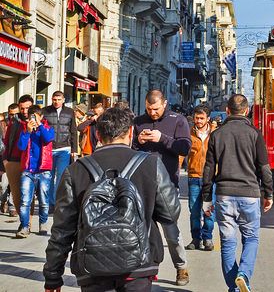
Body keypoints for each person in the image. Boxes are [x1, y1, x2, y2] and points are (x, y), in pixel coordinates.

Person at [43, 105, 182, 292]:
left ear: (98, 135)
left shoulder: (75, 170)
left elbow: (62, 230)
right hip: (139, 263)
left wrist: (53, 276)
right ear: (131, 132)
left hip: (92, 264)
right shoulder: (151, 164)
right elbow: (170, 214)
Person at [201, 94, 274, 292]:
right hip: (249, 195)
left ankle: (234, 287)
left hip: (224, 195)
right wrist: (269, 193)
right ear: (247, 110)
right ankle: (243, 275)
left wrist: (206, 199)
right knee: (251, 238)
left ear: (227, 111)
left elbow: (208, 170)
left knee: (227, 242)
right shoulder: (255, 134)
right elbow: (264, 168)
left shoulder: (217, 134)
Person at [134, 90, 191, 286]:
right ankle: (148, 269)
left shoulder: (178, 120)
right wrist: (138, 141)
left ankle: (181, 267)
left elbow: (184, 148)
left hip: (167, 185)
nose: (153, 113)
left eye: (156, 109)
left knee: (171, 232)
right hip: (142, 184)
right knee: (143, 230)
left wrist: (163, 138)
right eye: (149, 109)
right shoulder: (138, 121)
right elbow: (128, 149)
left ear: (164, 104)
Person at [15, 106, 54, 238]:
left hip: (44, 170)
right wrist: (27, 131)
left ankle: (43, 223)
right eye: (31, 116)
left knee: (43, 200)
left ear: (41, 117)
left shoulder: (48, 128)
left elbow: (48, 138)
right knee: (25, 201)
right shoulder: (25, 130)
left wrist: (40, 125)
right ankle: (25, 227)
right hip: (28, 170)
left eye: (36, 116)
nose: (33, 119)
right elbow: (21, 146)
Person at [186, 106, 215, 251]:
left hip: (209, 179)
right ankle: (195, 239)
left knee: (208, 211)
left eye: (201, 118)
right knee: (194, 211)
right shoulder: (188, 133)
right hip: (193, 177)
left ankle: (207, 238)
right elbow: (181, 153)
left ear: (208, 119)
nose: (198, 121)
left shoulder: (215, 134)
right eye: (196, 118)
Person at [42, 91, 78, 211]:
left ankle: (58, 202)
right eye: (54, 99)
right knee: (49, 177)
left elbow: (73, 131)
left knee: (62, 177)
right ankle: (50, 203)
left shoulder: (70, 112)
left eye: (59, 99)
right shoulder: (45, 111)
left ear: (63, 100)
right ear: (52, 100)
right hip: (48, 149)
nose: (56, 102)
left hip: (64, 149)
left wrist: (74, 149)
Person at [3, 95, 32, 219]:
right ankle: (23, 219)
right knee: (16, 196)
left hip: (31, 162)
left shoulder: (39, 121)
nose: (25, 111)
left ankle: (26, 223)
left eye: (28, 108)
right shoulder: (14, 122)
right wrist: (5, 160)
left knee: (28, 194)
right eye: (22, 108)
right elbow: (6, 141)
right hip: (14, 161)